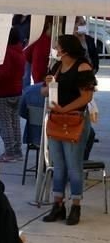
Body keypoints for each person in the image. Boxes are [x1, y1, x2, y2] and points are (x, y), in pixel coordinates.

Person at [42, 34, 96, 225]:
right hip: (57, 119)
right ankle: (58, 204)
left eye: (57, 47)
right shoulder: (56, 67)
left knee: (74, 165)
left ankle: (76, 205)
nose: (55, 50)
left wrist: (65, 108)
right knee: (59, 164)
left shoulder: (82, 67)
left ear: (65, 49)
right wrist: (48, 86)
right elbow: (44, 91)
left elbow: (86, 96)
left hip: (75, 120)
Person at [0, 28, 26, 162]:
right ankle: (17, 150)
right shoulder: (19, 51)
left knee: (5, 123)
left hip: (4, 91)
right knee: (14, 122)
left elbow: (4, 74)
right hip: (16, 89)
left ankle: (10, 151)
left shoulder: (6, 52)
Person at [24, 17, 53, 84]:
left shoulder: (40, 37)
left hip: (41, 79)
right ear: (49, 24)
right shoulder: (42, 41)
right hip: (41, 81)